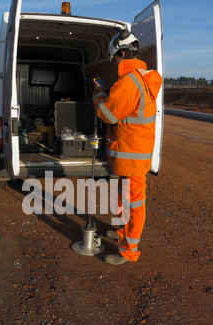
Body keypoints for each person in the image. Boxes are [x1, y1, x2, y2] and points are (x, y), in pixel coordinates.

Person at [93, 29, 163, 265]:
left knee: (135, 204)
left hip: (131, 155)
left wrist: (99, 93)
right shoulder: (142, 77)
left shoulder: (129, 81)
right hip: (132, 153)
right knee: (124, 199)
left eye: (114, 59)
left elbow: (108, 114)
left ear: (122, 53)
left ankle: (129, 251)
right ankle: (122, 234)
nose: (114, 63)